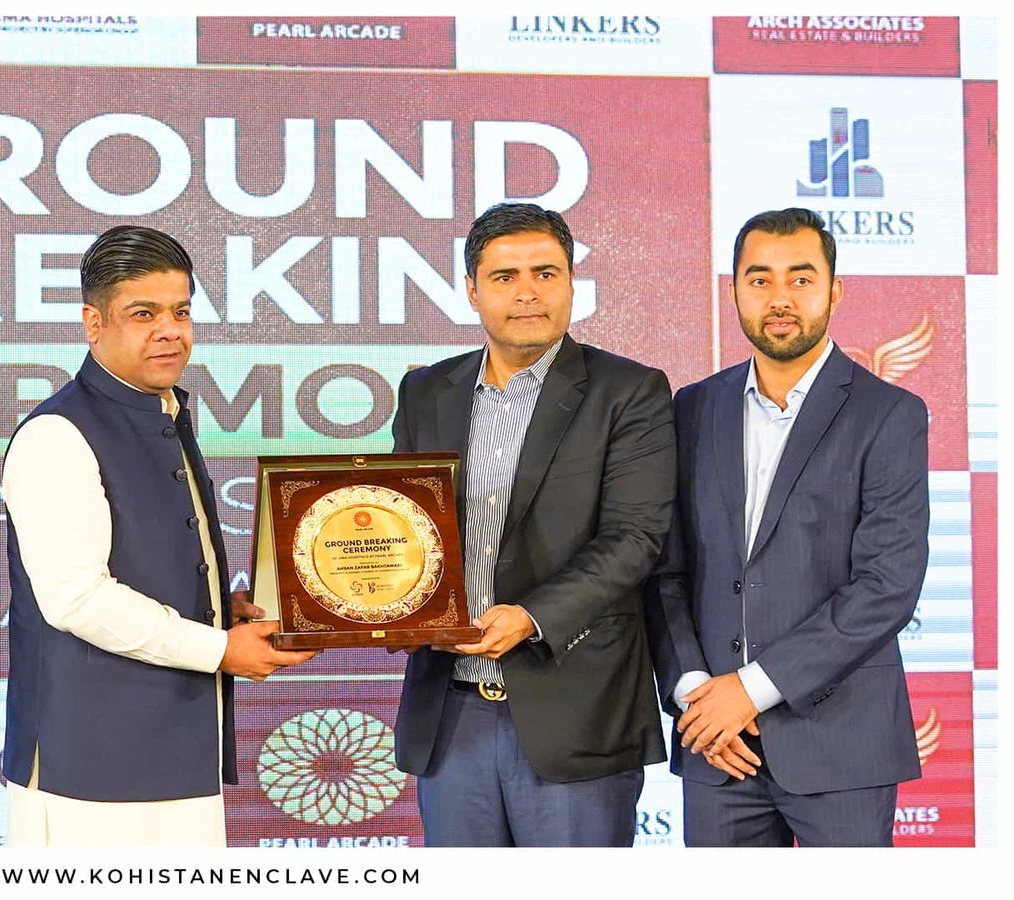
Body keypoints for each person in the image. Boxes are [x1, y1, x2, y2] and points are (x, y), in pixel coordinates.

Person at [0, 225, 316, 847]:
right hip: (87, 767)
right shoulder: (57, 434)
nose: (170, 330)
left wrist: (220, 609)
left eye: (181, 312)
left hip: (180, 750)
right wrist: (220, 648)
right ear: (93, 323)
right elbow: (76, 600)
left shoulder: (164, 412)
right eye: (144, 314)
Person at [389, 202, 674, 847]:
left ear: (572, 283)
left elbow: (635, 537)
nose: (527, 293)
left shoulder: (628, 391)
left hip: (574, 709)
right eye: (505, 276)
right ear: (472, 290)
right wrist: (381, 605)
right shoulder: (427, 392)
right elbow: (401, 526)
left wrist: (531, 616)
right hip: (450, 713)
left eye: (545, 274)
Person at [644, 208, 928, 846]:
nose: (780, 298)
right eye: (760, 279)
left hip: (842, 746)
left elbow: (886, 585)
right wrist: (696, 693)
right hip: (717, 746)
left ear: (835, 290)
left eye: (801, 279)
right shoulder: (692, 407)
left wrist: (749, 691)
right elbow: (665, 572)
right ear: (734, 291)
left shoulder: (890, 414)